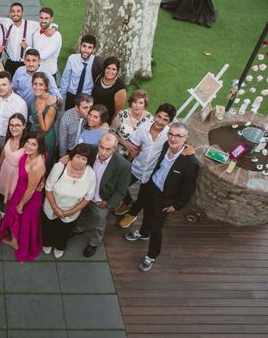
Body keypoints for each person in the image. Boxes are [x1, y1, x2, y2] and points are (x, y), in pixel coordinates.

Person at [131, 122, 198, 272]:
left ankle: (152, 255)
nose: (173, 138)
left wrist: (177, 205)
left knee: (157, 227)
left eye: (178, 136)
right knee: (147, 213)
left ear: (185, 138)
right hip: (152, 186)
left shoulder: (190, 161)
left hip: (166, 198)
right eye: (171, 134)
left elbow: (189, 187)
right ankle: (143, 233)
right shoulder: (166, 146)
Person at [118, 103, 177, 229]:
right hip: (137, 166)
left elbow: (181, 144)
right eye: (159, 116)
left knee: (143, 197)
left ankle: (132, 214)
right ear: (155, 115)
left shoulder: (170, 136)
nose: (160, 121)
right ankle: (128, 202)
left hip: (153, 172)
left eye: (165, 119)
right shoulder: (143, 128)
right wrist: (128, 164)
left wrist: (189, 149)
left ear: (169, 122)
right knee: (121, 186)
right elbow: (135, 147)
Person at [73, 133, 131, 257]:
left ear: (115, 149)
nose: (103, 152)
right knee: (81, 213)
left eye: (108, 149)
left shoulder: (123, 165)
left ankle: (94, 243)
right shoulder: (92, 150)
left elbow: (121, 190)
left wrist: (109, 203)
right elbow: (78, 150)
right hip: (84, 194)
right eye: (101, 147)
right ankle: (79, 229)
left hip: (101, 200)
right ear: (98, 144)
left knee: (99, 224)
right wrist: (67, 157)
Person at [0, 133, 47, 263]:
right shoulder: (30, 154)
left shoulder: (37, 164)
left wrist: (20, 204)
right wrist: (43, 179)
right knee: (14, 216)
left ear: (39, 147)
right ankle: (14, 241)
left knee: (25, 222)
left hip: (29, 197)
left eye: (33, 144)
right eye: (28, 142)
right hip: (19, 190)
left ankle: (23, 248)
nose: (29, 146)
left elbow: (31, 190)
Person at [42, 144, 95, 258]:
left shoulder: (90, 174)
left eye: (84, 158)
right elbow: (48, 188)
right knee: (48, 228)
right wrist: (56, 208)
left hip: (71, 211)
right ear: (71, 156)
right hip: (51, 207)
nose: (79, 161)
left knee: (64, 231)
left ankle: (59, 247)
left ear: (88, 161)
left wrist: (70, 212)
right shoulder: (59, 167)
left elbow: (87, 198)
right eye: (77, 156)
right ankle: (47, 243)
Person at [0, 72, 28, 169]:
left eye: (4, 85)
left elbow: (22, 126)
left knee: (8, 165)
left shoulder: (20, 104)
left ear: (11, 85)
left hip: (10, 138)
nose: (1, 88)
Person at [0, 114, 27, 221]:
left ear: (24, 126)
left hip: (18, 175)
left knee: (15, 198)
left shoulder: (28, 144)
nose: (14, 128)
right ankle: (4, 211)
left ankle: (13, 218)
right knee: (6, 196)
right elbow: (4, 152)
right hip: (6, 169)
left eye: (18, 125)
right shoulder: (9, 137)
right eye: (11, 125)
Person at [60, 34, 101, 110]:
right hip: (71, 94)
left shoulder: (97, 62)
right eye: (84, 46)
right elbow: (65, 78)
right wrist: (61, 96)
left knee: (83, 119)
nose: (85, 50)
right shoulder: (72, 59)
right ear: (80, 46)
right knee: (68, 117)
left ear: (94, 49)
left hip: (86, 97)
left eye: (89, 47)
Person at [111, 89, 153, 161]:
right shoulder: (122, 114)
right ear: (131, 103)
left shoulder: (149, 118)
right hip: (117, 152)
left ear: (145, 104)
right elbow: (110, 132)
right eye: (135, 102)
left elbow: (150, 139)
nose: (137, 106)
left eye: (141, 103)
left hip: (137, 156)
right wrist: (124, 143)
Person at [91, 56, 127, 123]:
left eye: (114, 69)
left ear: (117, 71)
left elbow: (118, 112)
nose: (110, 71)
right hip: (91, 116)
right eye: (108, 68)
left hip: (105, 121)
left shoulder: (120, 88)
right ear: (104, 68)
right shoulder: (99, 77)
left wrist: (110, 127)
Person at [58, 93, 93, 159]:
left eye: (91, 107)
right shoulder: (66, 119)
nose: (89, 110)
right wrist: (63, 156)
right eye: (85, 108)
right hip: (69, 150)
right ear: (77, 107)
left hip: (84, 152)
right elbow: (62, 141)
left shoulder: (92, 117)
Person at [32, 7, 62, 77]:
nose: (43, 20)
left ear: (51, 19)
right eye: (41, 18)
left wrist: (27, 48)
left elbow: (42, 56)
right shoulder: (36, 32)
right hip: (36, 73)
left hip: (49, 75)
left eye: (46, 18)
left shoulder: (56, 36)